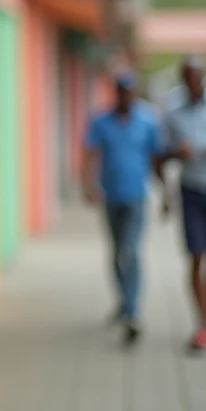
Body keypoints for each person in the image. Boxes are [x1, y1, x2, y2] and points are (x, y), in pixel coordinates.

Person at [82, 70, 162, 345]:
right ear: (116, 93)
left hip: (137, 197)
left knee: (131, 250)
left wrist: (166, 195)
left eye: (131, 91)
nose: (127, 96)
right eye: (122, 91)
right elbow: (91, 155)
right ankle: (123, 300)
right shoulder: (102, 121)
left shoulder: (147, 122)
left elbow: (156, 159)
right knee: (117, 252)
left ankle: (132, 310)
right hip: (112, 197)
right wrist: (89, 185)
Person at [160, 55, 206, 352]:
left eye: (197, 76)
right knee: (196, 255)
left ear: (204, 77)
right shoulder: (173, 109)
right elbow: (161, 153)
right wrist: (178, 152)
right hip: (192, 190)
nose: (193, 82)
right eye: (188, 77)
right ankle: (200, 323)